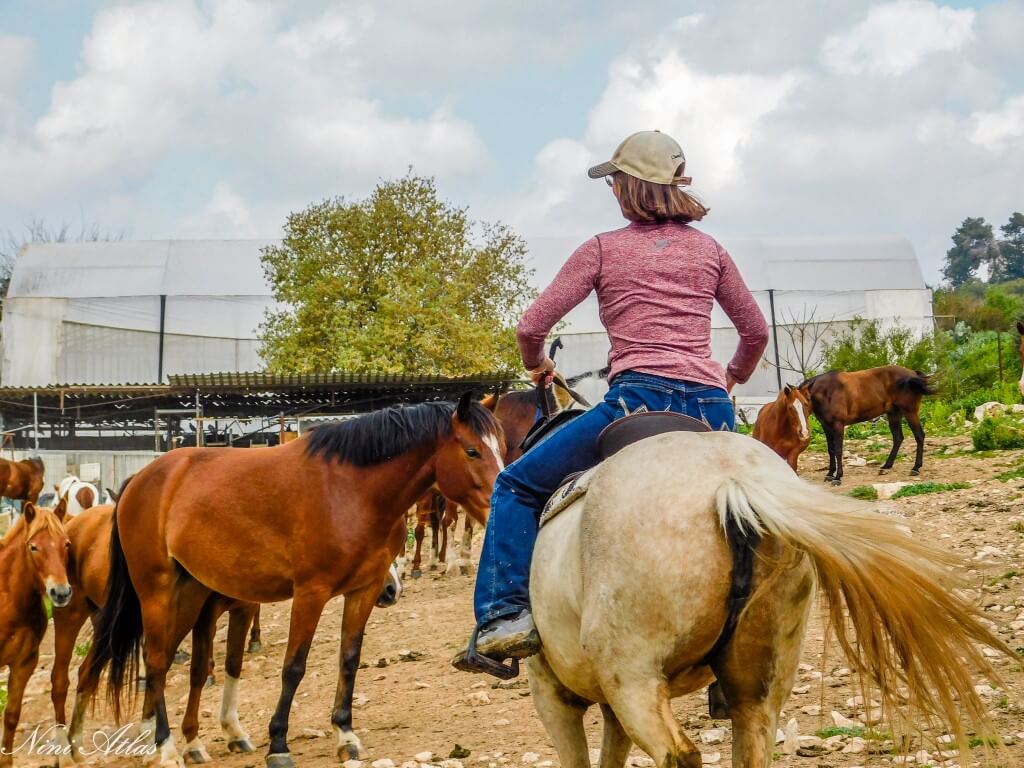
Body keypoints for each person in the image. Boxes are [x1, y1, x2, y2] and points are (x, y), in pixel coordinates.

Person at [455, 130, 769, 670]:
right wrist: (731, 377)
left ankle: (505, 616)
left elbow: (532, 325)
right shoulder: (712, 251)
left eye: (615, 182)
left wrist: (537, 364)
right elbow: (755, 331)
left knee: (515, 486)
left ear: (627, 189)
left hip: (636, 405)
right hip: (713, 413)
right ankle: (741, 647)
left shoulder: (602, 249)